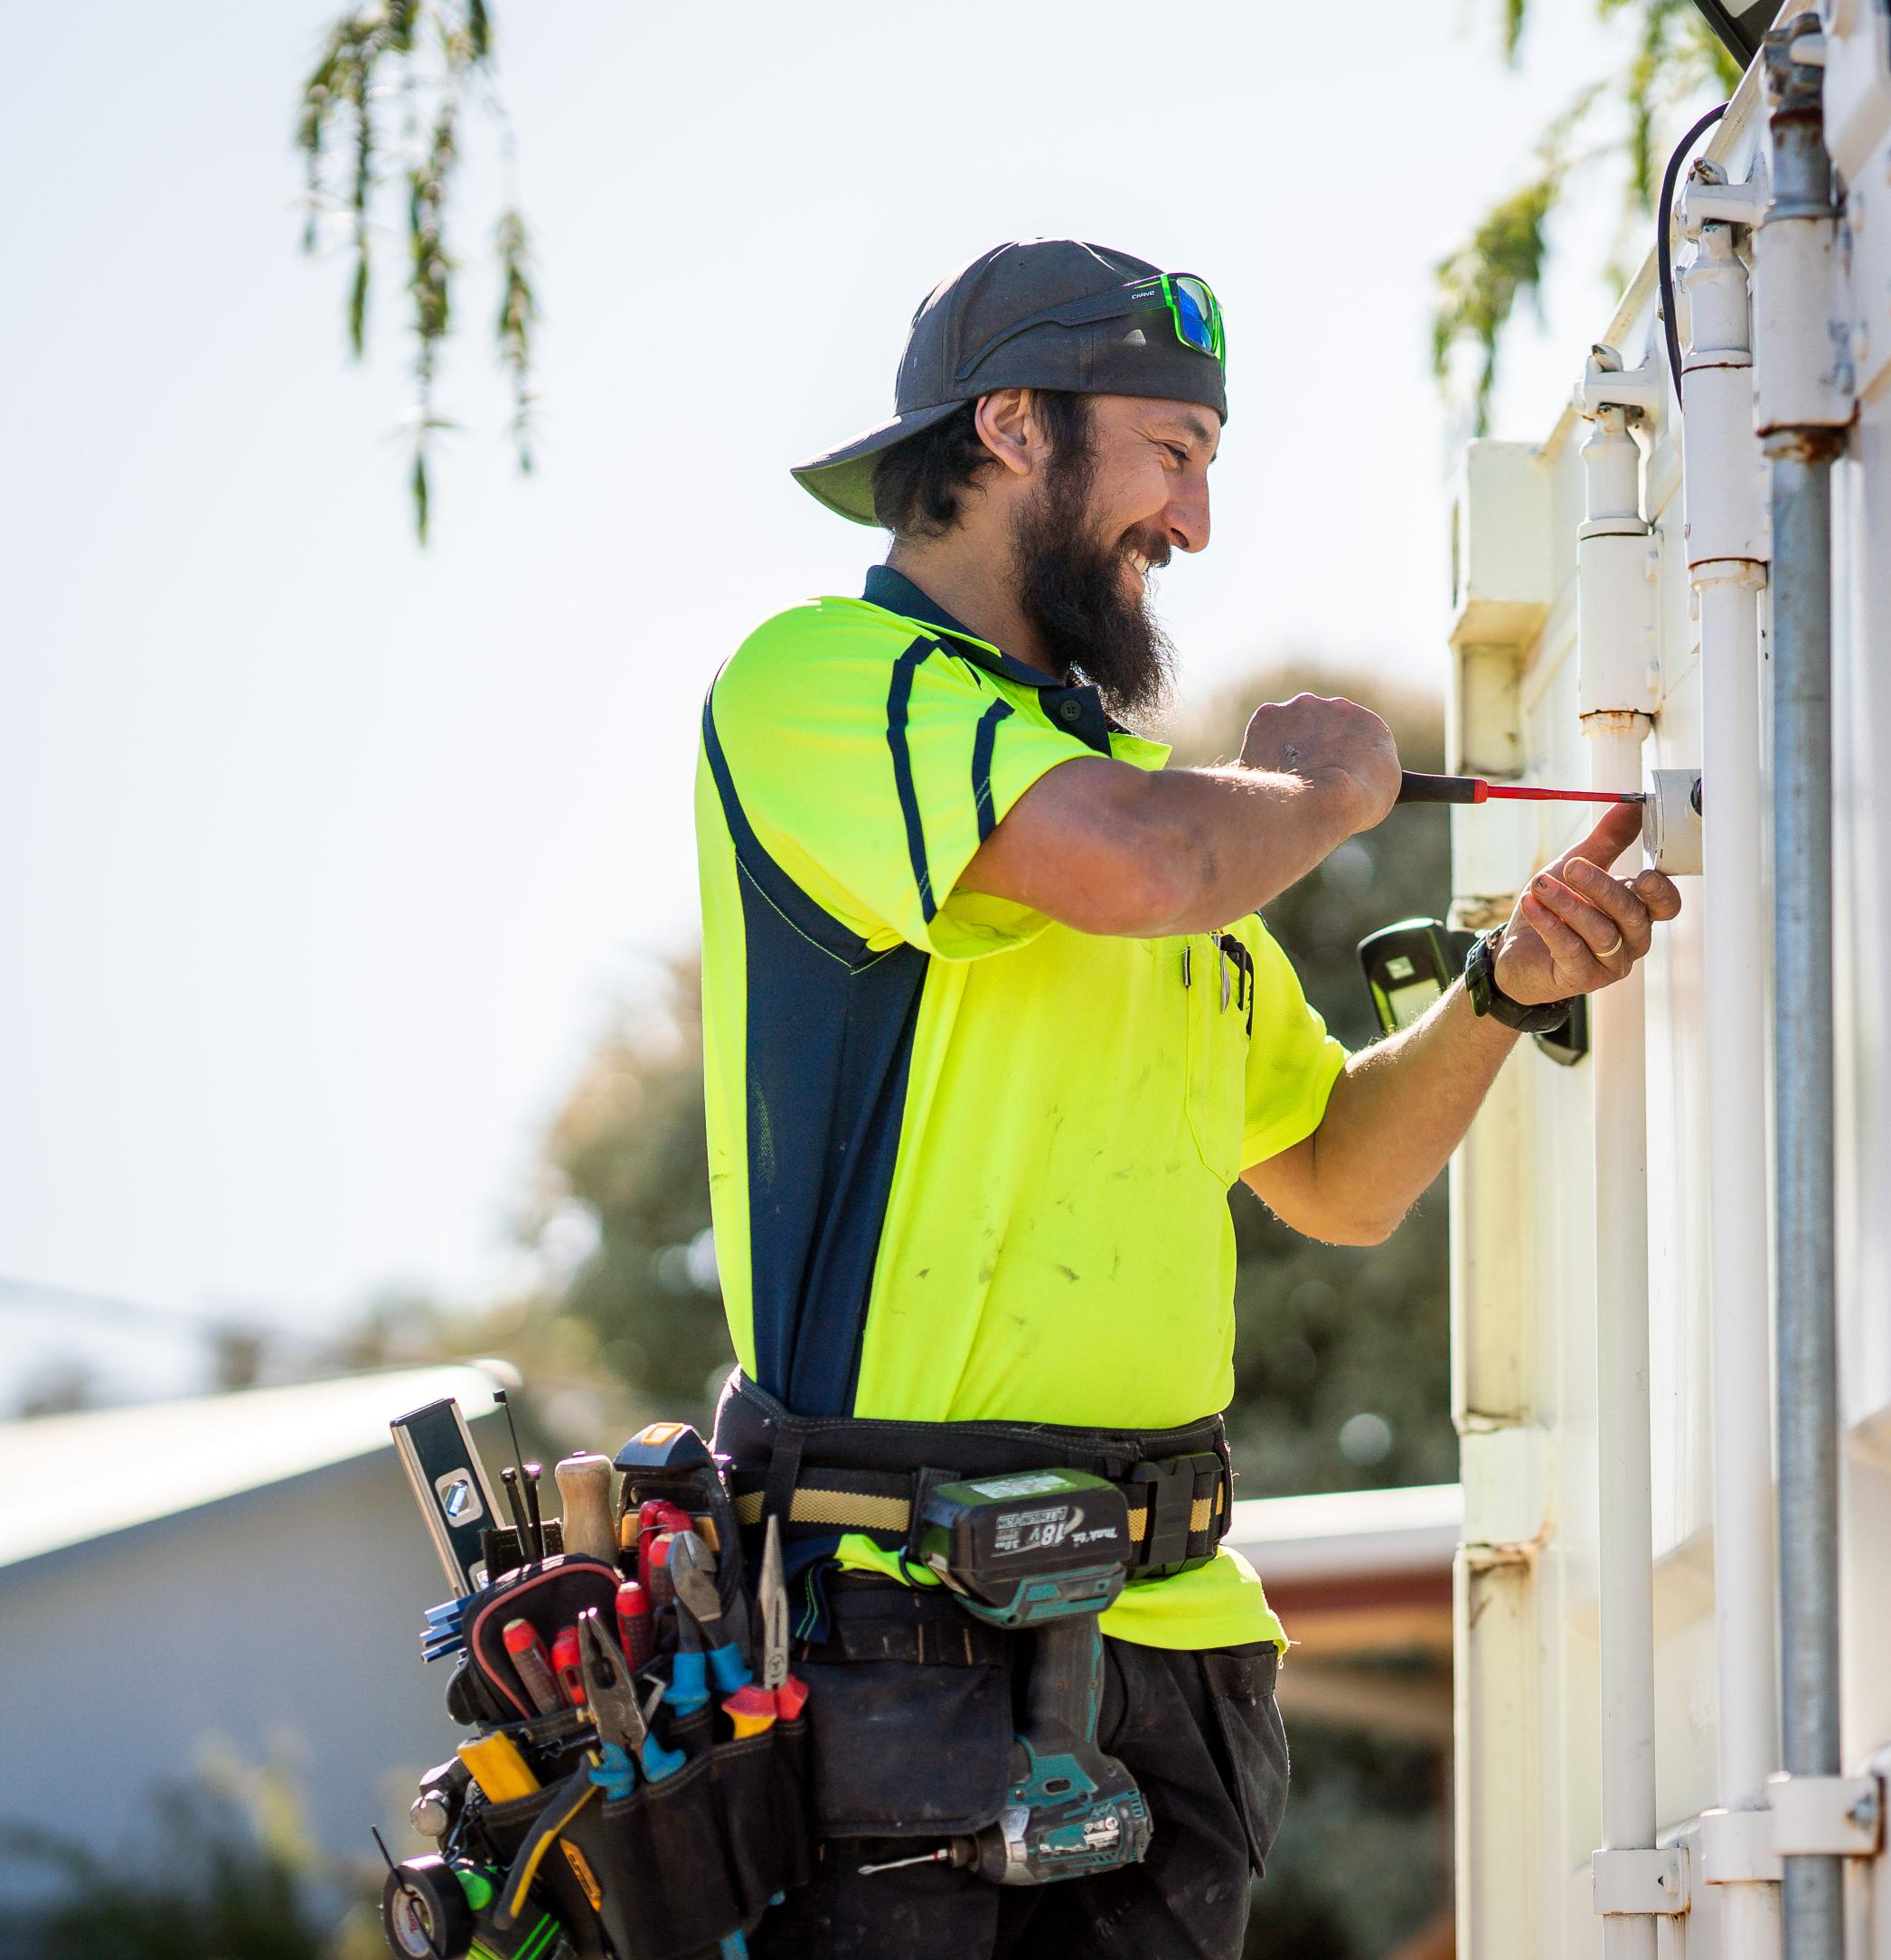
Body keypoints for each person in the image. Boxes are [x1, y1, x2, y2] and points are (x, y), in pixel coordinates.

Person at [701, 238, 1679, 1960]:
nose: (1195, 524)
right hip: (901, 1651)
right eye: (1172, 450)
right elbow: (1138, 866)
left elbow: (1334, 1174)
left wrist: (1502, 990)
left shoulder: (1161, 816)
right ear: (1010, 425)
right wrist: (1315, 784)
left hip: (1169, 1652)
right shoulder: (827, 689)